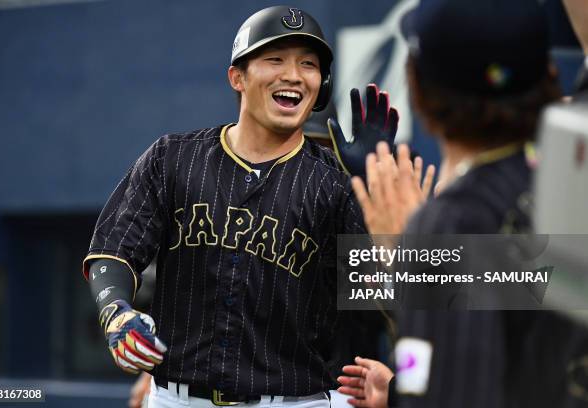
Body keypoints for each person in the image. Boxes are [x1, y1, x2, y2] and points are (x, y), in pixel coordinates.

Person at [83, 6, 399, 408]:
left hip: (298, 399)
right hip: (177, 398)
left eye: (308, 64)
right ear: (237, 77)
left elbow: (401, 291)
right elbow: (114, 251)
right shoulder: (172, 158)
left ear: (320, 85)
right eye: (274, 59)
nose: (293, 74)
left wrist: (373, 192)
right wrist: (116, 311)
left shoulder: (334, 184)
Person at [336, 0, 588, 407]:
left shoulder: (450, 223)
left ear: (419, 93)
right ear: (551, 75)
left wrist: (414, 261)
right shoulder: (571, 182)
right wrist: (401, 390)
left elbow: (444, 391)